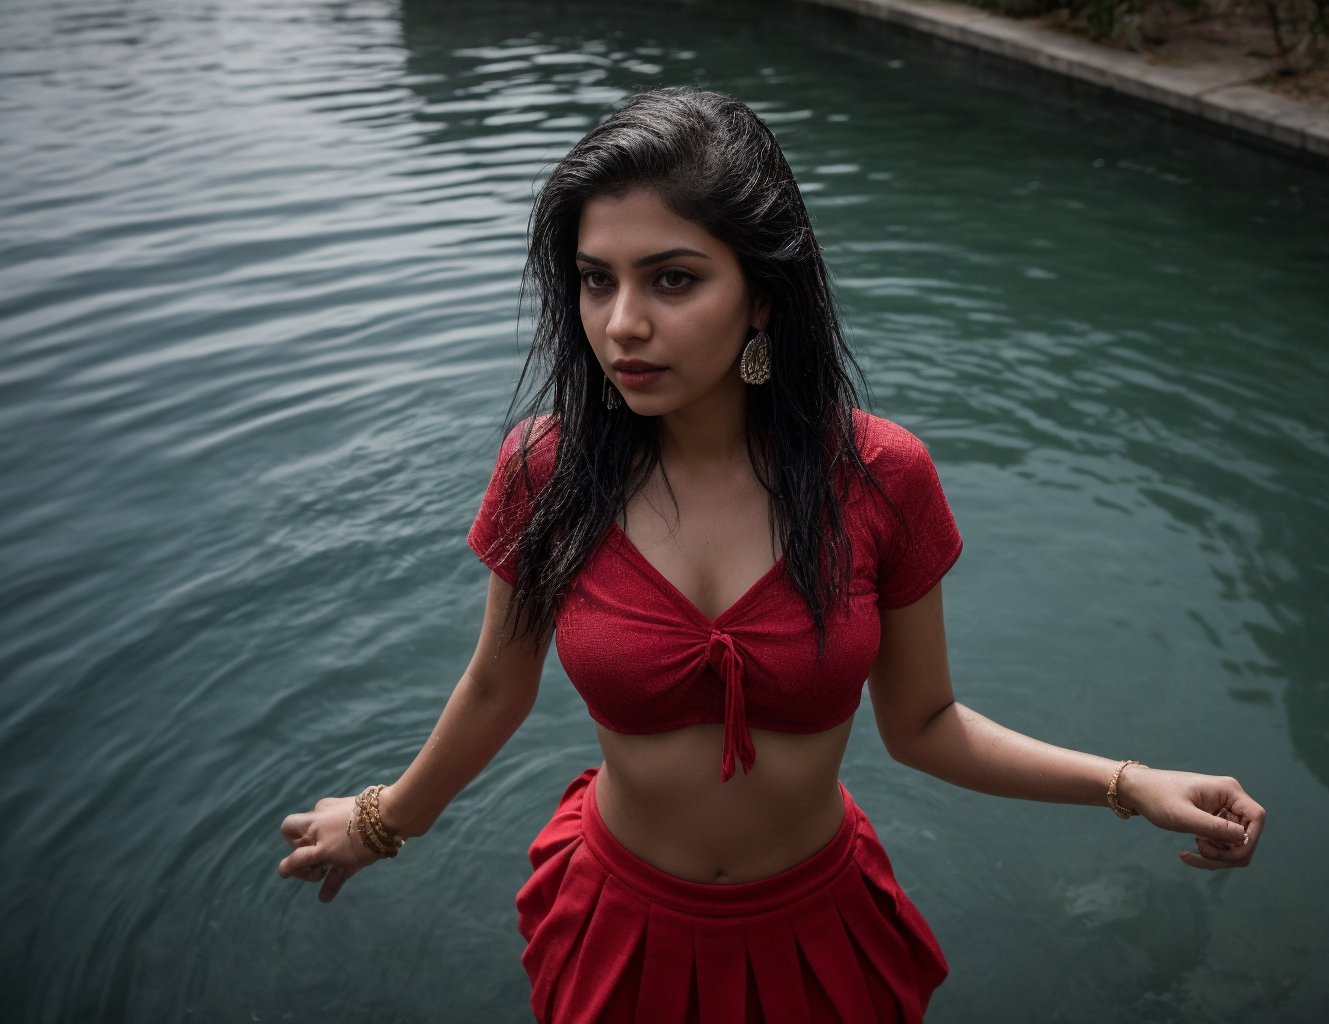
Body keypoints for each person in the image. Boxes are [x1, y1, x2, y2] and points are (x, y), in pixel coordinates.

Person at [277, 88, 1266, 1023]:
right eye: (595, 279)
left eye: (673, 278)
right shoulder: (547, 467)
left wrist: (1130, 786)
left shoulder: (880, 476)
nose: (622, 324)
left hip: (814, 922)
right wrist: (381, 822)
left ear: (762, 297)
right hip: (622, 918)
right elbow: (497, 684)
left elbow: (924, 722)